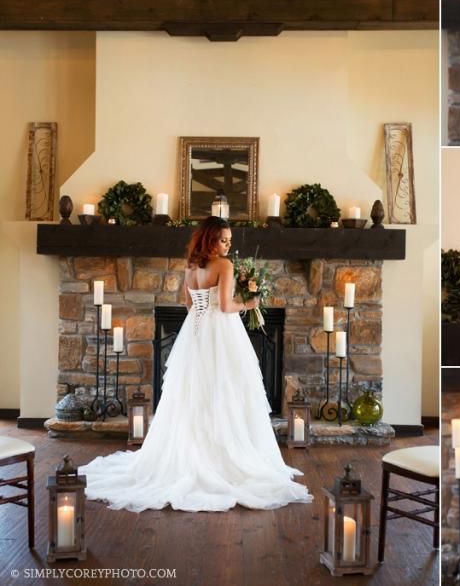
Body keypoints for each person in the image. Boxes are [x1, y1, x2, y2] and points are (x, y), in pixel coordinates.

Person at [80, 216, 312, 512]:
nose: (229, 245)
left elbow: (189, 304)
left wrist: (210, 305)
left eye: (230, 240)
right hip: (221, 332)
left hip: (195, 331)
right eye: (224, 240)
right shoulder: (225, 266)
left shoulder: (190, 266)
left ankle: (190, 457)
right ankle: (223, 459)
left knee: (193, 393)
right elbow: (227, 307)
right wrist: (250, 304)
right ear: (211, 240)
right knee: (225, 391)